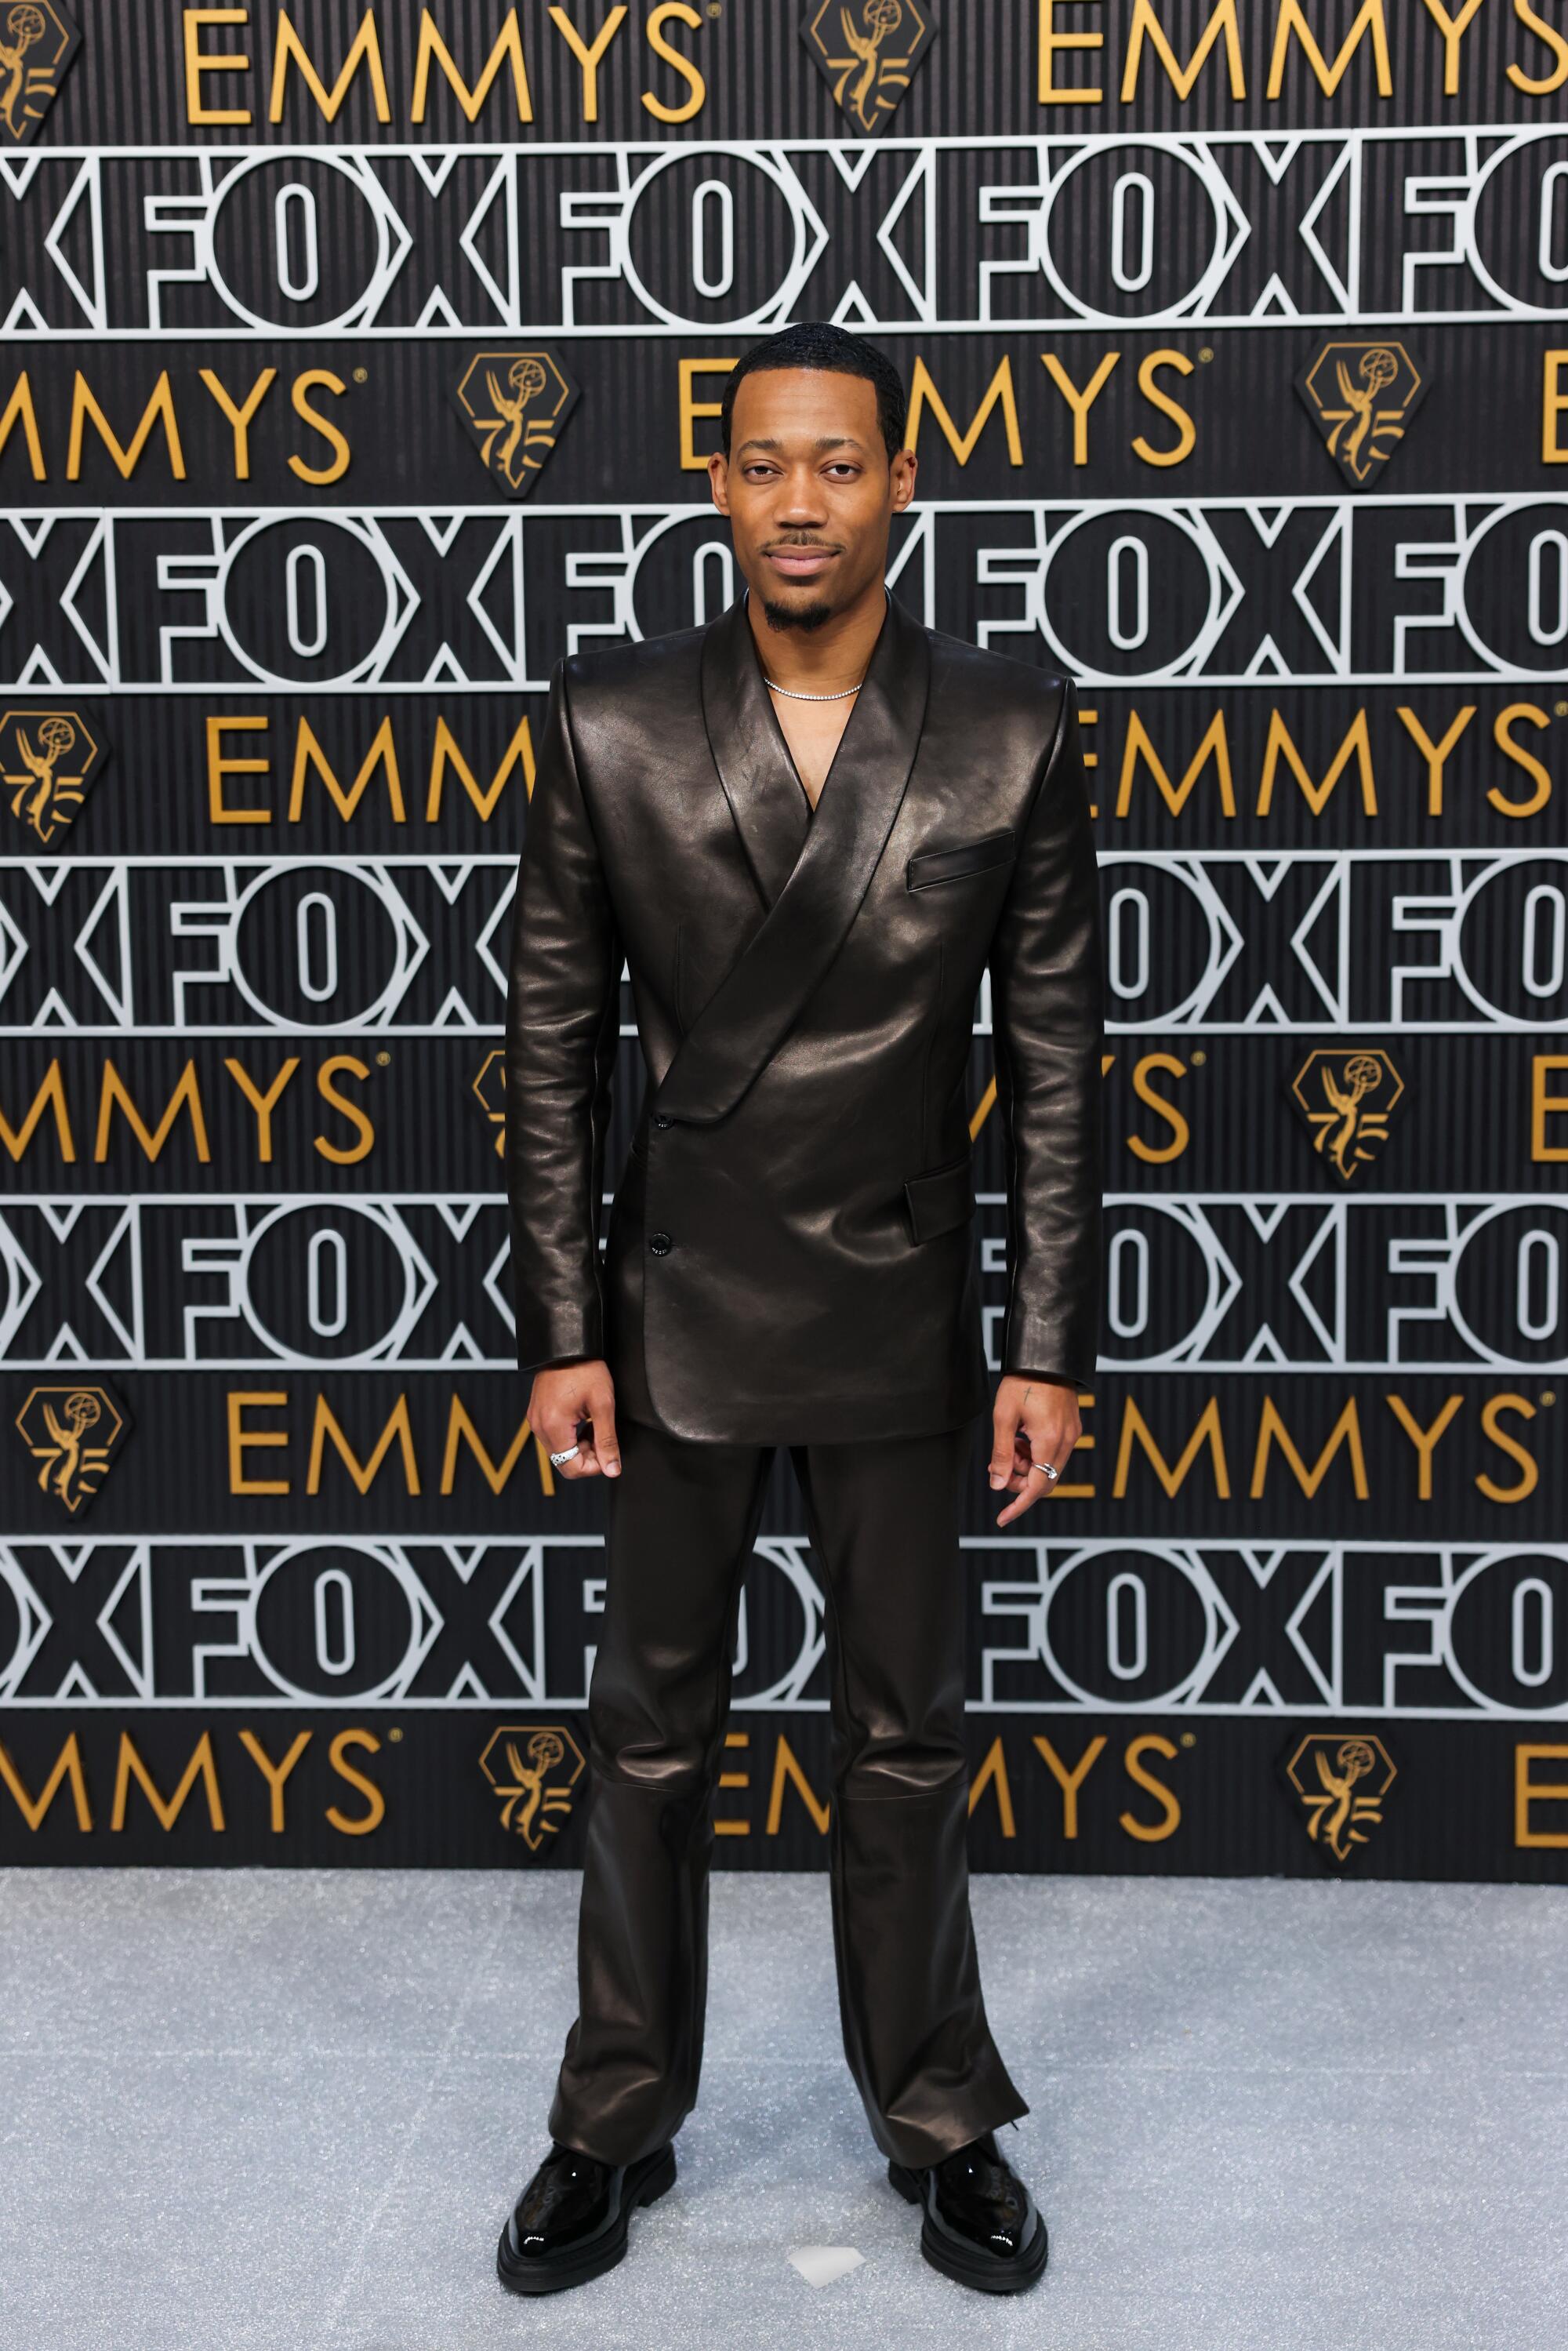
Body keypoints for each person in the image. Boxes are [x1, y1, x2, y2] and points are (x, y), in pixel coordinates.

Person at [495, 321, 1104, 2297]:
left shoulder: (1009, 730)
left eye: (838, 464)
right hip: (672, 1312)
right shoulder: (611, 724)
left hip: (904, 1310)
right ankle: (612, 2117)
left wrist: (1043, 1345)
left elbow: (1060, 1066)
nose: (799, 503)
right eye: (763, 464)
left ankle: (940, 2117)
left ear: (900, 483)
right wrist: (560, 1323)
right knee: (648, 1737)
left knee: (906, 1738)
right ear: (718, 484)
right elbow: (553, 1045)